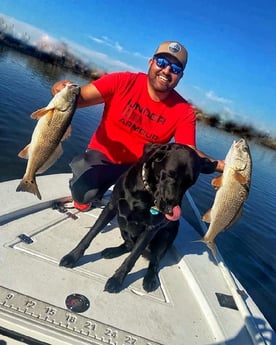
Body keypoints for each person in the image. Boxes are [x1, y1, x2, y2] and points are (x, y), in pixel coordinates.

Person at [52, 41, 224, 211]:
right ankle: (87, 192)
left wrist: (221, 166)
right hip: (103, 155)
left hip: (142, 169)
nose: (167, 70)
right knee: (83, 194)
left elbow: (188, 152)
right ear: (151, 62)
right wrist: (58, 88)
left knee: (147, 210)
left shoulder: (184, 111)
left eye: (175, 68)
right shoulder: (122, 81)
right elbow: (77, 99)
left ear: (180, 76)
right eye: (162, 62)